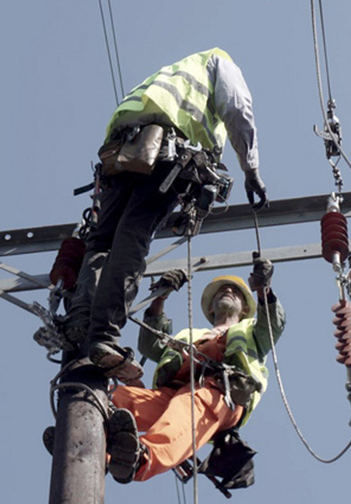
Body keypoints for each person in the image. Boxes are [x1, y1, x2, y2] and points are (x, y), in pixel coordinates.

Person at [64, 48, 269, 381]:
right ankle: (104, 336)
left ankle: (79, 320)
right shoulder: (221, 63)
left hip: (121, 150)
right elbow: (237, 107)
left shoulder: (171, 73)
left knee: (101, 242)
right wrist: (251, 169)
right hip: (165, 151)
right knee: (133, 236)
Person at [104, 258, 285, 484]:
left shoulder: (251, 331)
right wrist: (161, 297)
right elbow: (150, 346)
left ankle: (142, 458)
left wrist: (263, 289)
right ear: (211, 307)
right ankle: (89, 433)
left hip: (222, 392)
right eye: (221, 291)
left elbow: (272, 326)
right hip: (172, 392)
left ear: (246, 308)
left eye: (235, 291)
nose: (227, 291)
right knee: (119, 399)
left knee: (187, 407)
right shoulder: (189, 334)